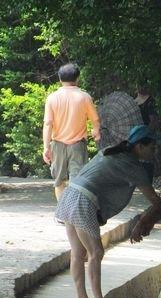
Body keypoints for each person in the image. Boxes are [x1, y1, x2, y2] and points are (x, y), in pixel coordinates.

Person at [55, 125, 160, 298]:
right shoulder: (134, 167)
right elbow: (154, 201)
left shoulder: (109, 151)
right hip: (83, 199)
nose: (155, 151)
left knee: (77, 252)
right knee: (96, 252)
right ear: (139, 146)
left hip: (70, 194)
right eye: (152, 147)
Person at [42, 63, 101, 201]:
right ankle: (74, 212)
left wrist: (46, 147)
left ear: (60, 78)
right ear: (77, 78)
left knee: (59, 181)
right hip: (78, 145)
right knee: (77, 181)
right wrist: (96, 130)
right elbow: (95, 119)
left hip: (57, 144)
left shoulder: (52, 98)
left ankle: (62, 214)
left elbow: (48, 124)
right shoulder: (84, 97)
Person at [134, 85, 159, 182]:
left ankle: (147, 185)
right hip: (134, 137)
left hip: (147, 137)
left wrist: (144, 133)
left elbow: (154, 121)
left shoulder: (150, 102)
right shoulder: (133, 100)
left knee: (147, 161)